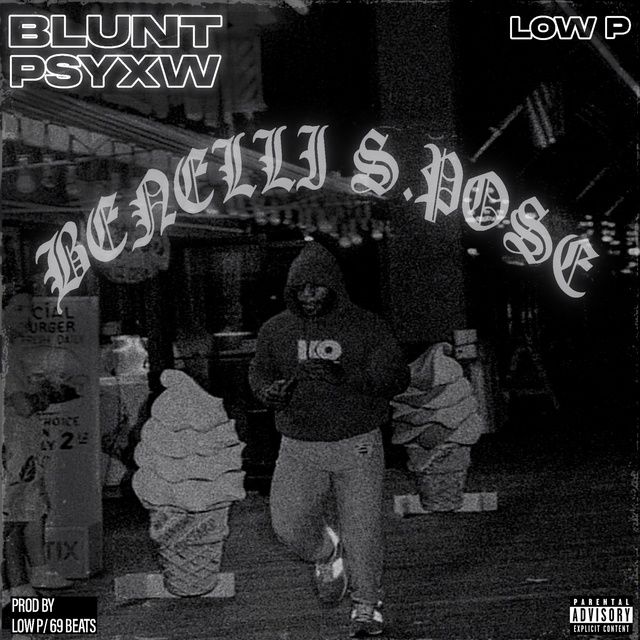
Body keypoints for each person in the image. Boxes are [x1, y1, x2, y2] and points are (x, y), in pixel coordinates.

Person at [249, 242, 409, 637]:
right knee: (287, 524)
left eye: (316, 288)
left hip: (357, 444)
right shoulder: (276, 329)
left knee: (363, 528)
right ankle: (327, 551)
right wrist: (269, 392)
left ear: (334, 286)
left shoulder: (367, 326)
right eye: (300, 289)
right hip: (298, 445)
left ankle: (367, 606)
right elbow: (259, 372)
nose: (308, 296)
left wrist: (348, 376)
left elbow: (396, 378)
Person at [2, 284, 72, 612]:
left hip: (21, 445)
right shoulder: (6, 351)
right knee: (12, 517)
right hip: (12, 446)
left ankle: (20, 587)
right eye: (17, 309)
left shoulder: (13, 348)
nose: (26, 316)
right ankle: (16, 589)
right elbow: (24, 404)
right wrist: (46, 395)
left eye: (28, 309)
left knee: (24, 511)